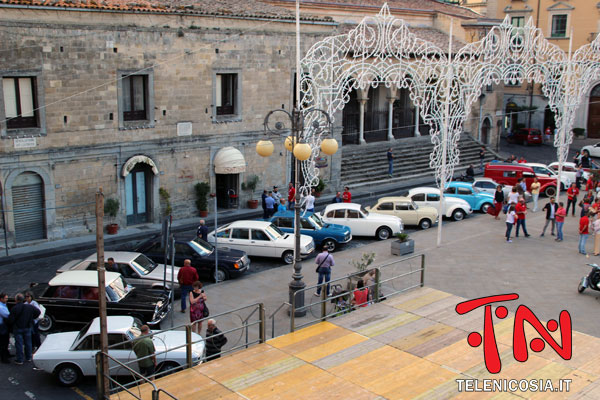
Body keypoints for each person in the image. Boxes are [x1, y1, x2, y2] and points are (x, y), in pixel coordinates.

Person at [8, 293, 40, 365]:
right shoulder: (29, 307)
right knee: (28, 342)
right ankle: (28, 357)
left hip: (18, 328)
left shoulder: (14, 308)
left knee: (19, 343)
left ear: (16, 300)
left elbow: (10, 320)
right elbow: (38, 312)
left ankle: (20, 359)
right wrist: (32, 319)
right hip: (27, 327)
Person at [0, 293, 9, 364]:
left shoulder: (3, 305)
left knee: (5, 341)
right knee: (4, 342)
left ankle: (6, 354)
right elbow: (7, 315)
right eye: (5, 298)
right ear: (1, 299)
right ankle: (4, 357)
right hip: (1, 326)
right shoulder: (1, 307)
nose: (7, 299)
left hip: (2, 325)